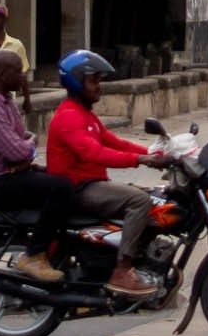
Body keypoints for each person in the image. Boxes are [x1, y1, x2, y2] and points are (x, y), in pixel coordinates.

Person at [46, 50, 166, 297]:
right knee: (139, 200)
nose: (98, 87)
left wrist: (154, 154)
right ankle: (123, 269)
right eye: (94, 81)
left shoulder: (85, 115)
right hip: (78, 189)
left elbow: (114, 142)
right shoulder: (69, 117)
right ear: (76, 82)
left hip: (92, 184)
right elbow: (95, 153)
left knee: (155, 197)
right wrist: (139, 160)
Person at [0, 48, 71, 283]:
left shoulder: (5, 101)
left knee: (66, 179)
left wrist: (25, 150)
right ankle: (34, 255)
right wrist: (28, 147)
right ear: (2, 73)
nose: (23, 76)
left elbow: (22, 139)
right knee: (61, 188)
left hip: (12, 173)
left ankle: (61, 252)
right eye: (18, 71)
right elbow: (18, 149)